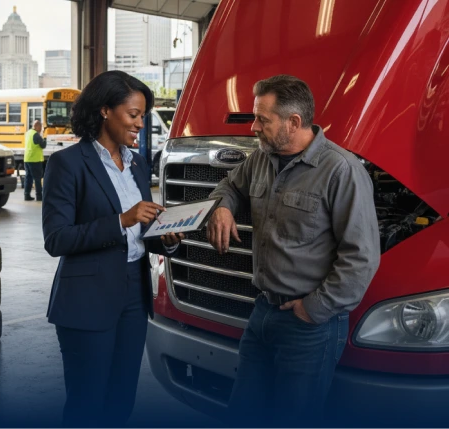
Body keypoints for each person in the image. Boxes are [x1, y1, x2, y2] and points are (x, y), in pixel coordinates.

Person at [207, 75, 380, 425]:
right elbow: (229, 185)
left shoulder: (341, 171)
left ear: (294, 122)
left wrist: (313, 309)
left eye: (263, 120)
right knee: (243, 413)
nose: (254, 127)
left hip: (310, 325)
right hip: (262, 313)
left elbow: (361, 258)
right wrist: (221, 206)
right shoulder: (262, 158)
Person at [42, 70, 184, 428]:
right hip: (86, 299)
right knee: (87, 404)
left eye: (142, 117)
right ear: (105, 110)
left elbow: (140, 228)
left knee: (122, 400)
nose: (140, 124)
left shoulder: (135, 166)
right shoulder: (68, 164)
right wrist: (121, 220)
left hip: (133, 296)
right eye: (133, 115)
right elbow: (57, 238)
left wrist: (163, 235)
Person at [24, 120, 46, 201]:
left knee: (28, 177)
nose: (41, 129)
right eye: (40, 127)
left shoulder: (28, 133)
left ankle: (27, 195)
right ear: (36, 126)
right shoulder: (36, 135)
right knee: (37, 179)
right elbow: (43, 145)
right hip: (35, 160)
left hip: (27, 159)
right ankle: (39, 196)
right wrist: (44, 138)